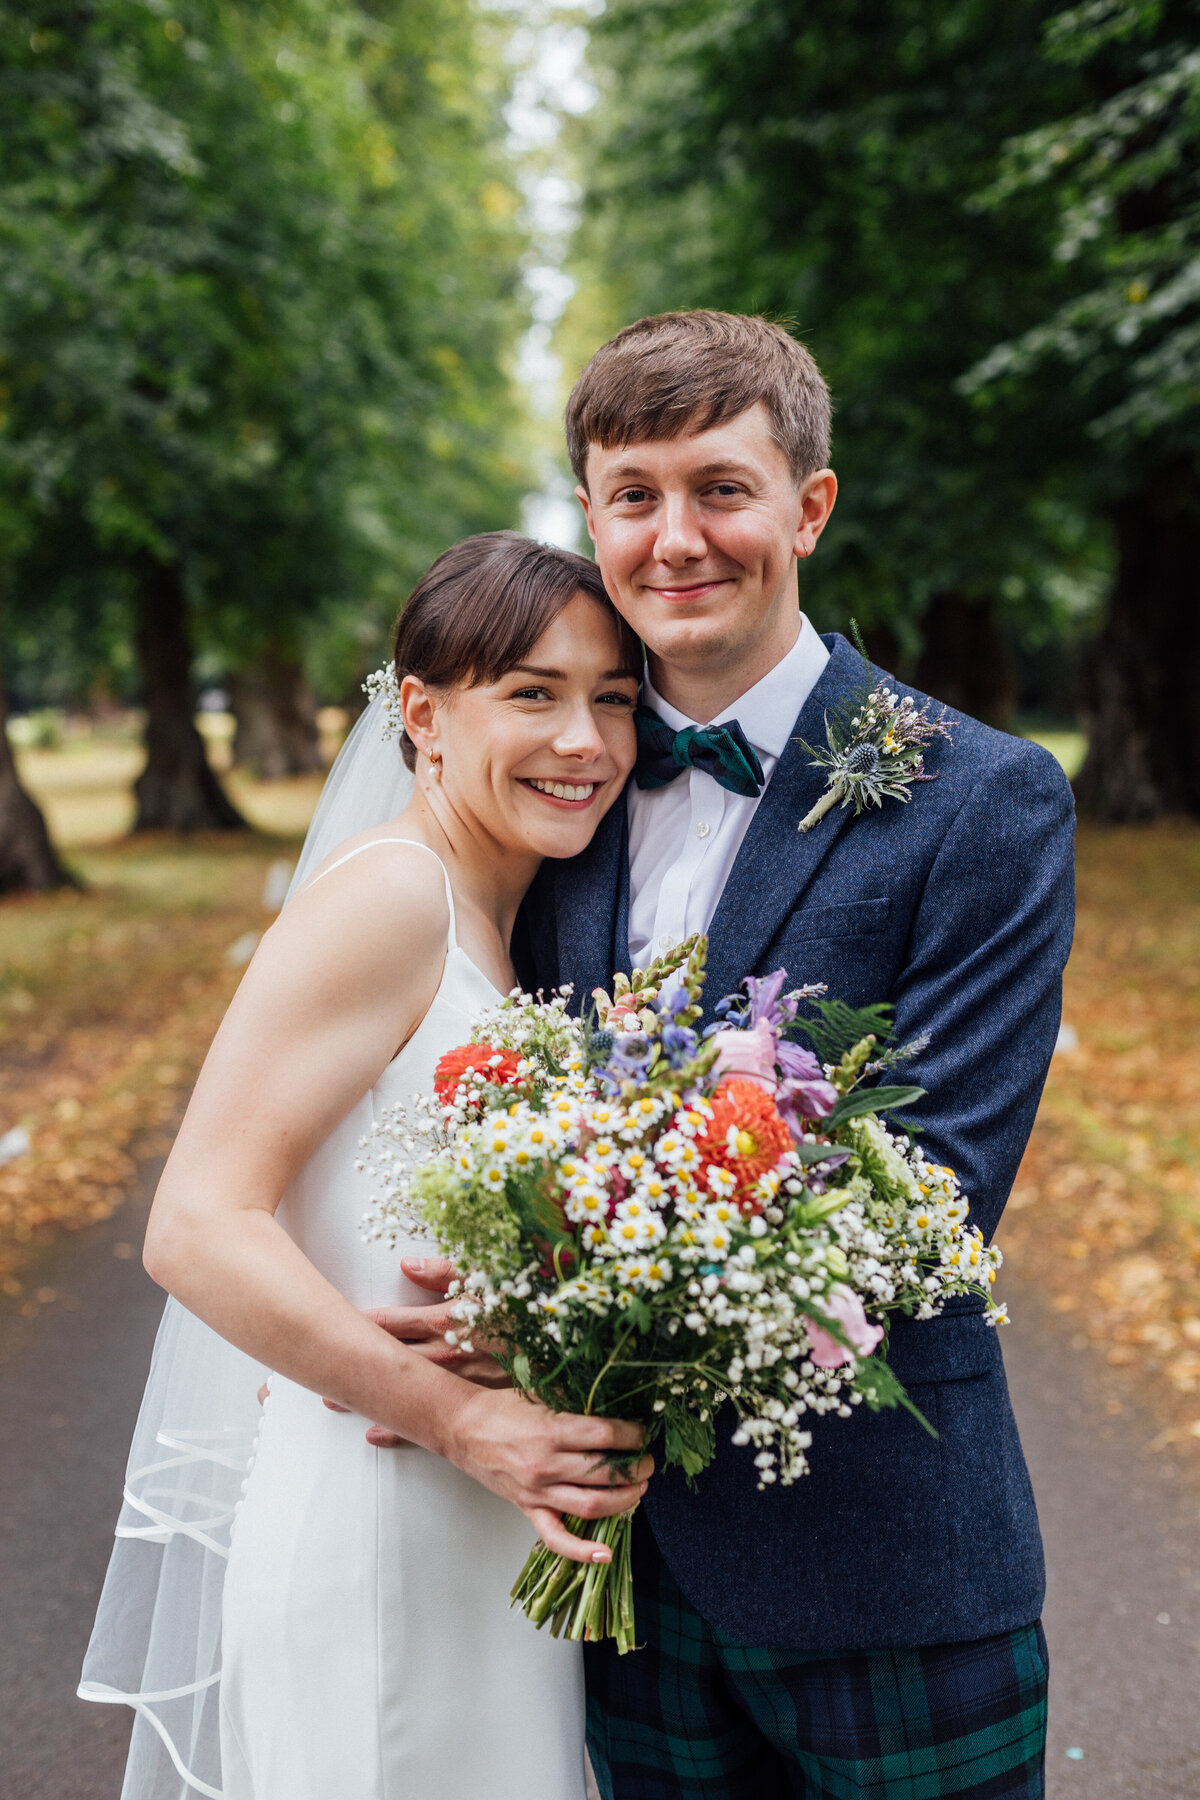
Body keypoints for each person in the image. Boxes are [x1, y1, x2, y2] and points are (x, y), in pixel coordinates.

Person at [378, 312, 1076, 1799]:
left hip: (886, 1565)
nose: (676, 538)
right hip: (617, 1582)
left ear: (808, 508)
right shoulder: (551, 792)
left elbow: (935, 1191)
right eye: (634, 495)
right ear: (591, 518)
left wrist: (546, 1303)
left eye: (722, 489)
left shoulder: (984, 798)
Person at [78, 532, 653, 1800]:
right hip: (387, 1527)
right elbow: (196, 1224)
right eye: (534, 693)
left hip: (489, 1530)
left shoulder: (507, 919)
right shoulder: (392, 897)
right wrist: (463, 1421)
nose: (585, 742)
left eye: (613, 698)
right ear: (423, 715)